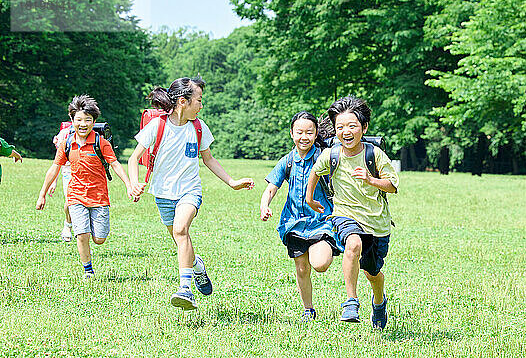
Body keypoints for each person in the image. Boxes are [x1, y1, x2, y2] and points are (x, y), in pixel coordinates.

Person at [127, 76, 255, 311]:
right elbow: (134, 158)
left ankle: (185, 289)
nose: (201, 105)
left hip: (189, 191)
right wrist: (133, 183)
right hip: (163, 194)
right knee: (180, 240)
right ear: (183, 101)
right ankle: (197, 267)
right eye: (199, 100)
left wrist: (232, 182)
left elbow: (208, 159)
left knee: (180, 230)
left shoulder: (199, 127)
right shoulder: (158, 125)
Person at [306, 96, 399, 329]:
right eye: (340, 127)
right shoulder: (331, 155)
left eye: (352, 126)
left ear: (364, 127)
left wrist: (371, 179)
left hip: (377, 223)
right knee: (353, 244)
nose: (345, 131)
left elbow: (393, 185)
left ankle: (379, 301)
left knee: (373, 273)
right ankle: (351, 301)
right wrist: (309, 198)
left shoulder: (373, 154)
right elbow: (316, 172)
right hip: (345, 215)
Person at [36, 95, 137, 278]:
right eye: (79, 120)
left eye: (88, 120)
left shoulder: (101, 143)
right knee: (82, 234)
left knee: (99, 239)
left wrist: (129, 185)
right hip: (76, 195)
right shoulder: (67, 143)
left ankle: (90, 228)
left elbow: (115, 165)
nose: (83, 124)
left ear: (94, 121)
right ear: (72, 120)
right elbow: (54, 168)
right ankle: (88, 270)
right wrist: (42, 193)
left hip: (99, 197)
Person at [260, 111, 340, 322]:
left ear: (315, 135)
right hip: (294, 223)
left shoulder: (324, 157)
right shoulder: (287, 161)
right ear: (292, 133)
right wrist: (264, 206)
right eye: (299, 132)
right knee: (302, 268)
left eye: (309, 132)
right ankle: (308, 310)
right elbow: (271, 188)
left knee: (320, 264)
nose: (304, 137)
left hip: (321, 221)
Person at [49, 123, 74, 242]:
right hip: (69, 171)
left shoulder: (94, 132)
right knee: (70, 201)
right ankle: (68, 225)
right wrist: (54, 181)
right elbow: (58, 159)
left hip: (88, 173)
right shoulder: (65, 133)